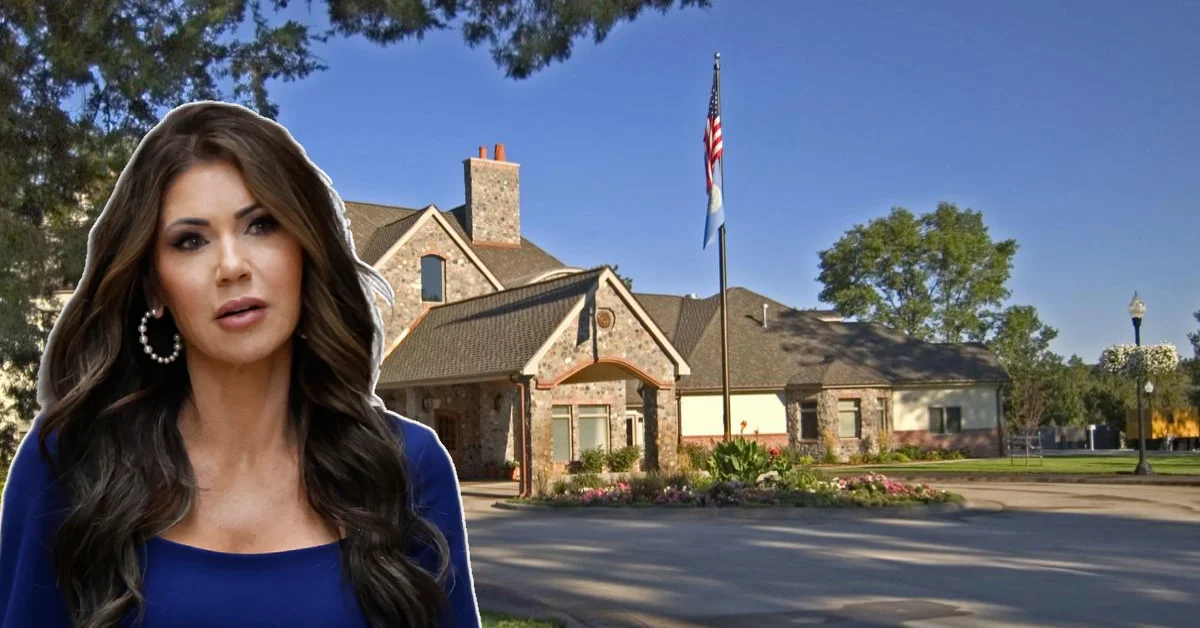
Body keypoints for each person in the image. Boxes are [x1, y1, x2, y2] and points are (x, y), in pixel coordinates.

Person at [0, 101, 480, 627]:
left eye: (261, 225)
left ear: (305, 248)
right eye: (190, 241)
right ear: (155, 286)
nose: (232, 265)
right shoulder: (70, 463)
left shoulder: (406, 467)